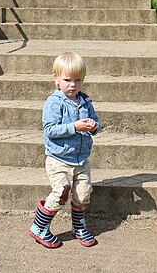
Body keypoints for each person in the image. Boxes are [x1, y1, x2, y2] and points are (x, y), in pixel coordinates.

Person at [29, 52, 100, 249]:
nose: (72, 85)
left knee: (83, 193)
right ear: (56, 79)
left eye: (77, 80)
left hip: (81, 159)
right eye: (67, 80)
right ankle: (39, 227)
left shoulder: (85, 101)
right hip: (59, 159)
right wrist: (74, 127)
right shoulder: (54, 102)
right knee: (61, 192)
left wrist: (94, 126)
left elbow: (97, 124)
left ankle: (78, 226)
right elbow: (50, 130)